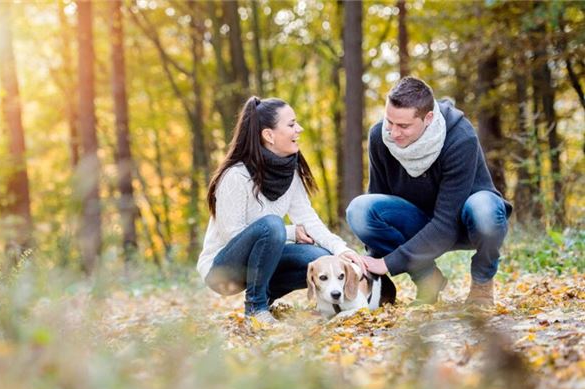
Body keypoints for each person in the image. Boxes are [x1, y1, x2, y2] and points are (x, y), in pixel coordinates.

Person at [198, 96, 366, 324]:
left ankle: (265, 297)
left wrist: (339, 248)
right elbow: (233, 236)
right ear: (268, 135)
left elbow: (308, 219)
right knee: (272, 225)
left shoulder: (290, 172)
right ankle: (255, 309)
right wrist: (289, 232)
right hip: (223, 269)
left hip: (261, 258)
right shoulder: (236, 176)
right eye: (291, 124)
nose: (299, 129)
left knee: (321, 258)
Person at [346, 77, 512, 306]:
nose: (393, 133)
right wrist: (374, 270)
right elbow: (378, 200)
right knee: (360, 209)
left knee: (485, 208)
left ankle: (482, 285)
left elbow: (446, 224)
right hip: (416, 222)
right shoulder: (379, 137)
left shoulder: (460, 138)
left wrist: (388, 263)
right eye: (389, 122)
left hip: (464, 223)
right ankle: (427, 280)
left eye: (403, 126)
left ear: (428, 118)